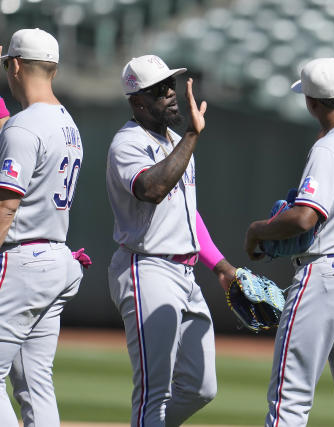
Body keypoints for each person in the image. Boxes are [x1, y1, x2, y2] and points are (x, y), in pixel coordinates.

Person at [0, 28, 87, 426]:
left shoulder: (25, 127)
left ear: (15, 66)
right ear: (54, 70)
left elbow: (5, 206)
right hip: (56, 260)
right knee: (34, 382)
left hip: (19, 262)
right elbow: (18, 142)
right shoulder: (67, 124)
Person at [244, 58, 334, 426]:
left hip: (327, 278)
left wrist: (259, 229)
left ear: (311, 103)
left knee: (288, 401)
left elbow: (306, 217)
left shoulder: (327, 149)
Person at [106, 54, 239, 426]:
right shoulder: (127, 143)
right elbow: (151, 188)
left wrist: (221, 266)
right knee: (154, 393)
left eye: (170, 85)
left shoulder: (177, 142)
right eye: (157, 89)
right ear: (137, 101)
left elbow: (187, 215)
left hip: (185, 273)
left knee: (200, 387)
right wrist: (194, 136)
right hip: (146, 269)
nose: (169, 92)